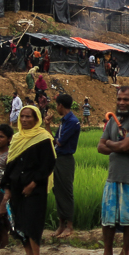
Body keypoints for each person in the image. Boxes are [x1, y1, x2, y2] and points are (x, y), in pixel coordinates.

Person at [91, 87, 129, 255]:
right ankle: (107, 254)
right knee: (108, 219)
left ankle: (124, 254)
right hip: (113, 176)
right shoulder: (113, 121)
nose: (122, 103)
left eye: (126, 99)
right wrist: (116, 144)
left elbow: (123, 146)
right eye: (119, 99)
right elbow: (100, 147)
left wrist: (110, 143)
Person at [1, 106, 56, 255]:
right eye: (22, 116)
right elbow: (10, 164)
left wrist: (33, 184)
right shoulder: (17, 138)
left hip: (35, 188)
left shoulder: (43, 138)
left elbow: (48, 164)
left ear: (36, 119)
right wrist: (7, 187)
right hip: (16, 186)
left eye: (28, 117)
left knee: (33, 222)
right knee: (19, 223)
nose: (24, 120)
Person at [51, 93, 80, 240]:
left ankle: (69, 225)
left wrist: (54, 139)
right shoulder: (64, 121)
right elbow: (54, 140)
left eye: (56, 105)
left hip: (65, 160)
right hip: (58, 158)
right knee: (58, 191)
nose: (56, 108)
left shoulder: (73, 122)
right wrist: (48, 126)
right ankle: (61, 224)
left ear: (60, 105)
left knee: (66, 191)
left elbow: (60, 142)